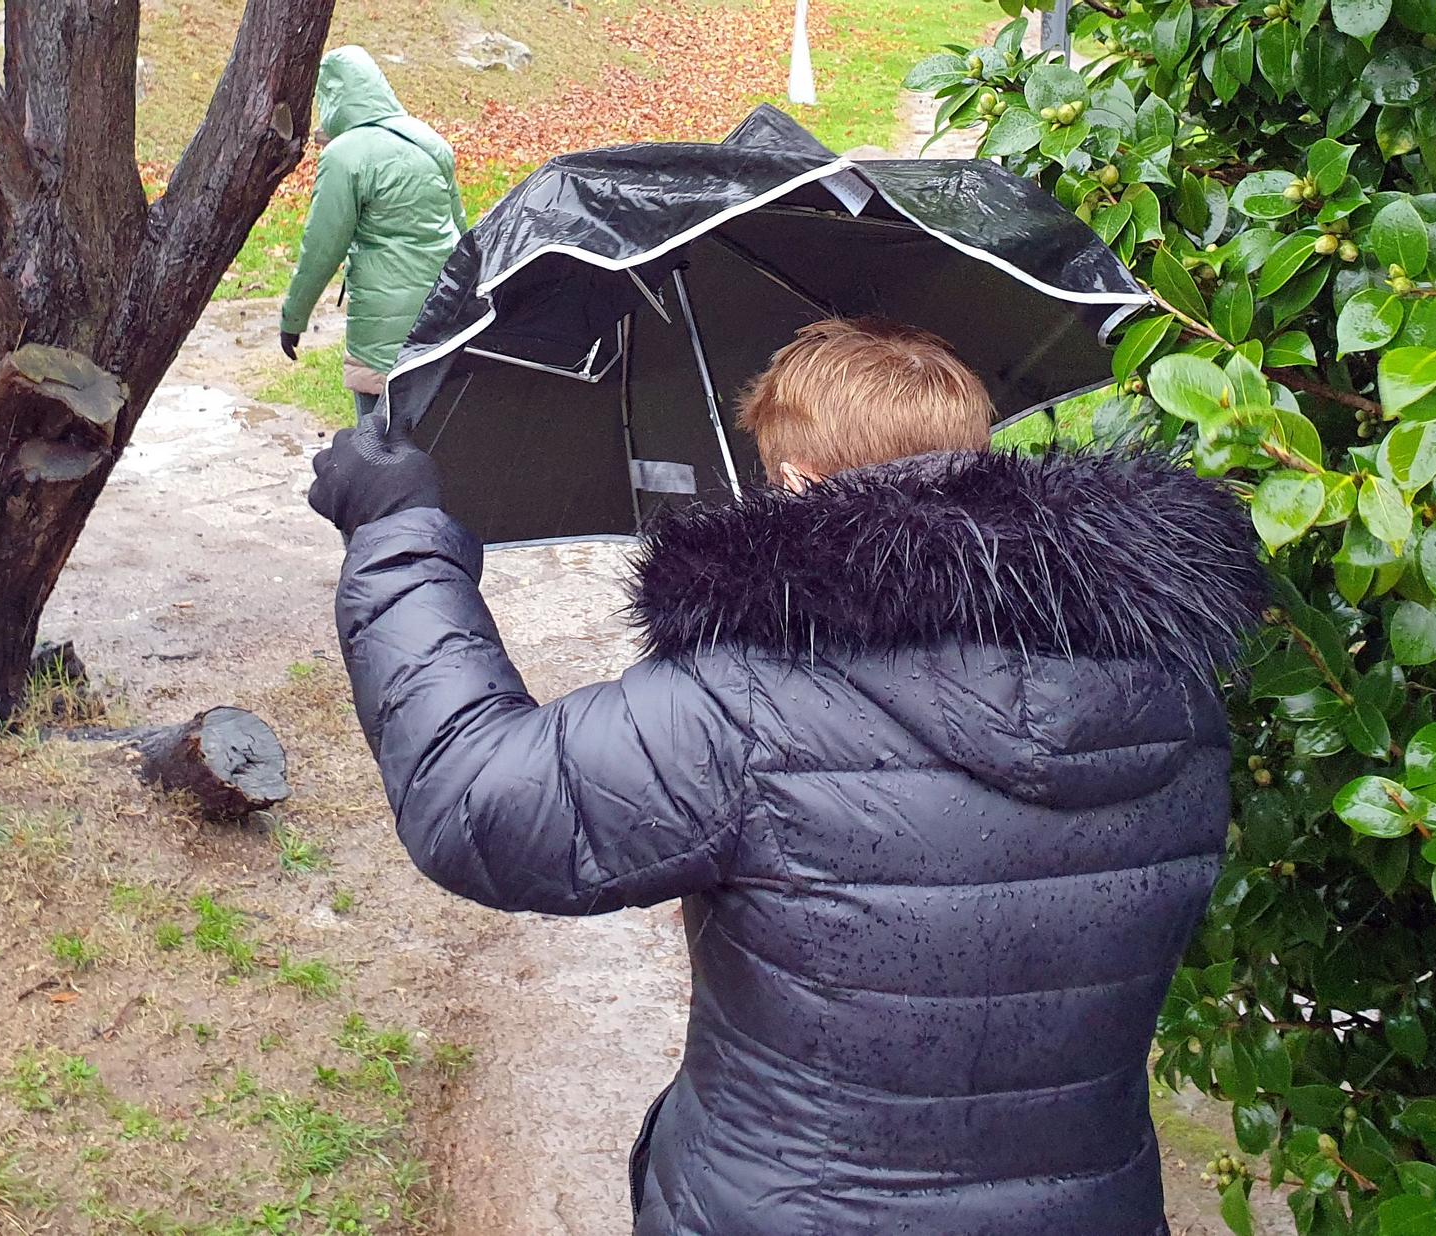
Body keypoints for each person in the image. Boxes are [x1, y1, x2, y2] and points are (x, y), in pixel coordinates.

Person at [306, 318, 1266, 1235]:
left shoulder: (748, 705)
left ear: (802, 481)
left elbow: (479, 800)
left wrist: (397, 532)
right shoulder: (1175, 688)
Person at [280, 46, 468, 421]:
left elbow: (322, 249)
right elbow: (464, 237)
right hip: (442, 316)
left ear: (333, 99)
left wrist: (293, 319)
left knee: (376, 446)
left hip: (383, 332)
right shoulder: (429, 141)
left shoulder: (345, 156)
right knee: (431, 436)